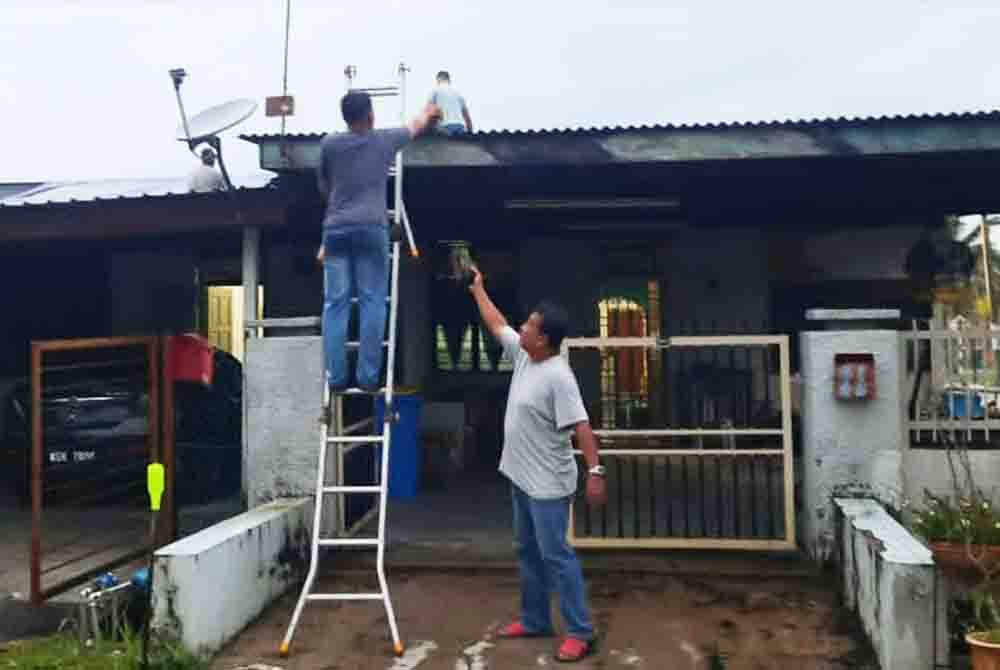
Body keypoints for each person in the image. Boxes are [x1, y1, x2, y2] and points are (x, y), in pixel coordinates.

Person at [468, 266, 607, 663]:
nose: (522, 328)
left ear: (544, 339)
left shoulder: (558, 376)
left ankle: (581, 631)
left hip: (548, 485)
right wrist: (478, 288)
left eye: (529, 325)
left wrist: (595, 472)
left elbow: (581, 426)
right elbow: (496, 324)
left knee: (555, 556)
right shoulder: (526, 356)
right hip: (521, 477)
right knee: (527, 551)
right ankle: (535, 619)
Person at [317, 91, 439, 393]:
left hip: (336, 228)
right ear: (370, 115)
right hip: (371, 227)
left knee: (336, 304)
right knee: (373, 301)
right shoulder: (384, 140)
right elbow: (416, 125)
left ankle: (335, 378)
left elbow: (325, 185)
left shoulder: (329, 144)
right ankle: (368, 378)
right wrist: (430, 111)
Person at [428, 70, 473, 136]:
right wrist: (470, 133)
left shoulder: (435, 90)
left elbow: (428, 111)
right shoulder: (458, 93)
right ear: (449, 80)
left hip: (445, 127)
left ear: (438, 79)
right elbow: (467, 117)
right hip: (460, 127)